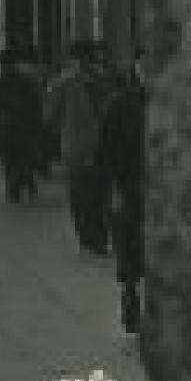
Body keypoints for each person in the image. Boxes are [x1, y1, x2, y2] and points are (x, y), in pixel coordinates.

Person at [46, 41, 117, 253]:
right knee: (94, 192)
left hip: (80, 145)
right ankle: (95, 237)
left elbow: (49, 116)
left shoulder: (64, 83)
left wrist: (65, 129)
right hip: (91, 146)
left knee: (85, 193)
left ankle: (90, 237)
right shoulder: (103, 80)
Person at [101, 56, 148, 333]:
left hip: (163, 191)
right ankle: (130, 295)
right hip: (130, 186)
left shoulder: (174, 105)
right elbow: (105, 151)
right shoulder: (120, 105)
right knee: (129, 246)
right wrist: (114, 186)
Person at [0, 47, 46, 203]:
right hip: (22, 127)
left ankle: (15, 187)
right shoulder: (25, 82)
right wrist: (37, 126)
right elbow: (34, 106)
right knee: (22, 157)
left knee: (10, 159)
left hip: (7, 127)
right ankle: (24, 183)